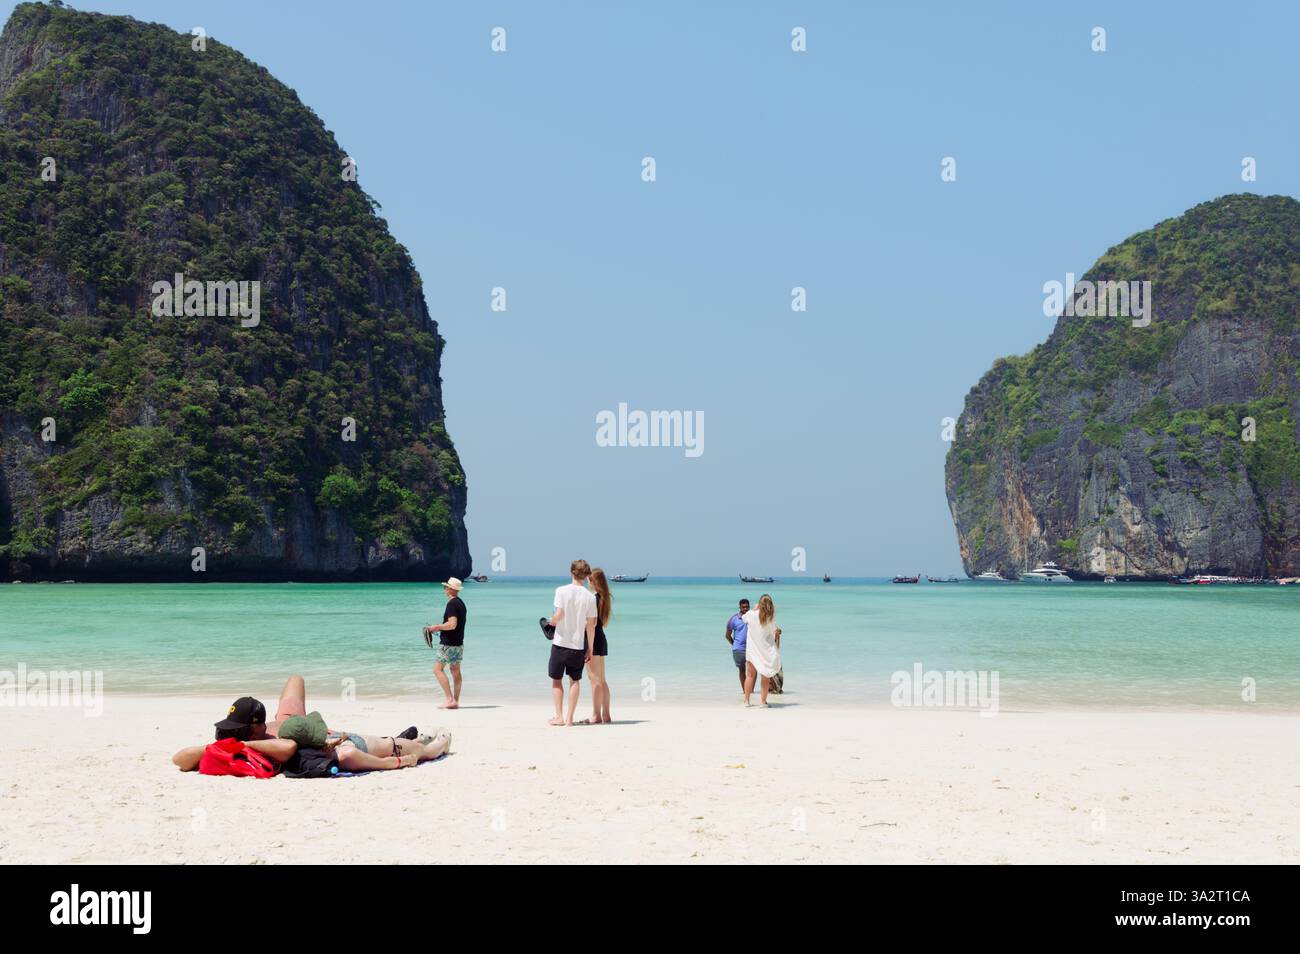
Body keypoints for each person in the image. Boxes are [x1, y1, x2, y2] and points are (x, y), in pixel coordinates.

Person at [170, 676, 451, 772]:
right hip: (334, 739)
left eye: (238, 728)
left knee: (398, 747)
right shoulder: (258, 737)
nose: (233, 733)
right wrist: (229, 745)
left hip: (342, 738)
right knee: (393, 745)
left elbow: (288, 745)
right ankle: (431, 743)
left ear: (255, 727)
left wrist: (242, 742)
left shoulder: (270, 735)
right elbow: (179, 759)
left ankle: (438, 745)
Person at [547, 559, 597, 726]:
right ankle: (569, 719)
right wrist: (590, 647)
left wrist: (551, 621)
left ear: (571, 572)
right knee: (575, 680)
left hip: (560, 643)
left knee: (556, 680)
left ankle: (559, 716)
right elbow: (591, 625)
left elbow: (559, 614)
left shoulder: (561, 591)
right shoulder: (590, 597)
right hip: (577, 646)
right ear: (586, 575)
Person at [424, 577, 467, 709]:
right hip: (458, 643)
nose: (444, 589)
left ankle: (449, 699)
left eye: (445, 587)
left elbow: (452, 624)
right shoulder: (461, 603)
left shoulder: (452, 604)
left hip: (448, 644)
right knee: (455, 671)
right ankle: (455, 701)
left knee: (437, 670)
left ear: (450, 589)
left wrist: (435, 627)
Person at [580, 567, 613, 724]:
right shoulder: (604, 598)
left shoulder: (593, 599)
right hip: (601, 638)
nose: (587, 582)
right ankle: (606, 714)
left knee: (594, 680)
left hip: (592, 639)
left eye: (588, 579)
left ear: (593, 581)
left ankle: (595, 715)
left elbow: (591, 624)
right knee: (602, 680)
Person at [742, 594, 782, 707]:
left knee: (750, 675)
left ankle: (746, 701)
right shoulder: (770, 619)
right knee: (765, 676)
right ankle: (762, 702)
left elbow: (743, 618)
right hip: (765, 651)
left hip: (752, 650)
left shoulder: (751, 614)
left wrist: (754, 609)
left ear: (759, 604)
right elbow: (774, 631)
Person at [725, 598, 751, 691]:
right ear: (739, 607)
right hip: (738, 649)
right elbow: (727, 635)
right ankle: (745, 691)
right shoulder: (734, 619)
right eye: (743, 607)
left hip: (752, 648)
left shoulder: (752, 618)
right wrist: (734, 644)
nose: (745, 609)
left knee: (753, 670)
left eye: (747, 607)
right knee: (742, 670)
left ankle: (750, 690)